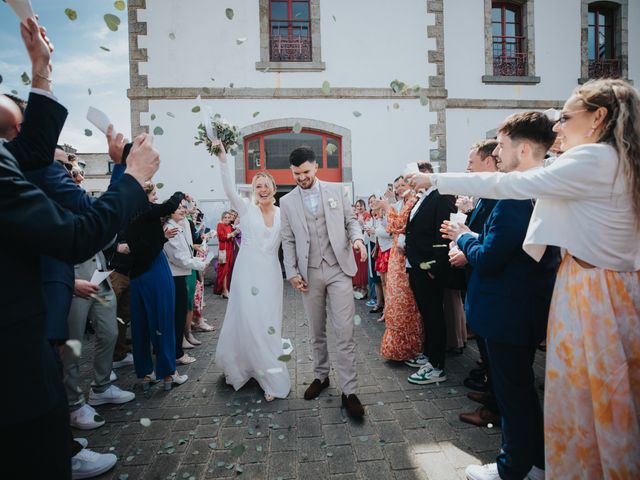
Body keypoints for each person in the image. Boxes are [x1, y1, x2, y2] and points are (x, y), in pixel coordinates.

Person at [407, 78, 640, 480]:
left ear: (598, 117)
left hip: (593, 291)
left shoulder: (595, 159)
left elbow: (509, 186)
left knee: (588, 396)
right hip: (610, 287)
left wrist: (435, 180)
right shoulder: (615, 158)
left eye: (565, 117)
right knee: (605, 394)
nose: (557, 127)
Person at [442, 112, 560, 480]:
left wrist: (463, 235)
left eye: (503, 144)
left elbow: (491, 260)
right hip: (521, 307)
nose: (498, 151)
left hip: (507, 311)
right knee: (520, 393)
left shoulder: (515, 197)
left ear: (523, 149)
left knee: (515, 398)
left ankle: (513, 468)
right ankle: (536, 463)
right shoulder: (543, 187)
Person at [280, 146, 366, 417]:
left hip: (339, 268)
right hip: (309, 272)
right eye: (296, 173)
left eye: (305, 172)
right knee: (316, 330)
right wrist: (291, 271)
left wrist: (359, 239)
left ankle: (349, 391)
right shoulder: (287, 201)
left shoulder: (337, 191)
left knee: (345, 331)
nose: (301, 177)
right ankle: (321, 376)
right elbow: (288, 239)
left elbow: (351, 221)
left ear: (316, 167)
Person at [213, 141, 291, 401]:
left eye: (267, 185)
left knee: (268, 323)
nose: (263, 189)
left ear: (274, 190)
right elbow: (227, 188)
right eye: (258, 186)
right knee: (250, 321)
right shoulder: (246, 209)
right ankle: (263, 374)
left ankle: (264, 367)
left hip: (270, 275)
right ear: (254, 191)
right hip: (247, 275)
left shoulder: (283, 214)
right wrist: (223, 159)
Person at [126, 182, 188, 391]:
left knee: (141, 323)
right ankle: (168, 373)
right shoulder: (149, 209)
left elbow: (142, 243)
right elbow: (170, 205)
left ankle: (145, 374)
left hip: (136, 273)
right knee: (164, 320)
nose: (155, 198)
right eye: (153, 194)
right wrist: (180, 192)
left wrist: (161, 237)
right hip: (155, 269)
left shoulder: (127, 213)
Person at [404, 162, 456, 385]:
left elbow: (441, 234)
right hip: (416, 265)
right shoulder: (421, 198)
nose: (410, 183)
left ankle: (437, 366)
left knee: (434, 316)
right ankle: (429, 354)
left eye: (412, 178)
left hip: (429, 268)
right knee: (426, 315)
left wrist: (435, 268)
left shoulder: (441, 195)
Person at [374, 176, 424, 362]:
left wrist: (387, 208)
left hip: (405, 258)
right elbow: (391, 227)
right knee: (395, 300)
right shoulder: (402, 203)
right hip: (396, 255)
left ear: (410, 185)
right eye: (396, 187)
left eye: (402, 185)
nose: (399, 189)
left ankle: (410, 347)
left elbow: (398, 225)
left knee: (405, 302)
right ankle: (397, 347)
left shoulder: (413, 201)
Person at [163, 200, 208, 365]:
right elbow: (179, 258)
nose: (183, 210)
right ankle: (177, 353)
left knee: (181, 312)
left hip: (181, 273)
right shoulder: (170, 228)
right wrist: (201, 264)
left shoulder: (181, 224)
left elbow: (186, 248)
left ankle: (178, 349)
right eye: (179, 208)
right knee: (177, 315)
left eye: (183, 207)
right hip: (174, 276)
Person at [215, 210, 236, 298]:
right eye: (225, 217)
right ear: (222, 218)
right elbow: (222, 237)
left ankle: (225, 289)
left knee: (227, 270)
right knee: (223, 270)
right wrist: (232, 234)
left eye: (228, 217)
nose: (227, 219)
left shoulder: (229, 226)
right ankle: (224, 290)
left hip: (230, 249)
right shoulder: (220, 225)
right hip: (223, 251)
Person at [352, 199, 370, 297]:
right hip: (355, 244)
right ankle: (357, 285)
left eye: (361, 206)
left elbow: (367, 228)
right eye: (357, 206)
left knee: (363, 265)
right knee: (356, 265)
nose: (359, 208)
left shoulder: (367, 215)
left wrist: (362, 222)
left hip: (364, 242)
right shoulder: (353, 216)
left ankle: (363, 286)